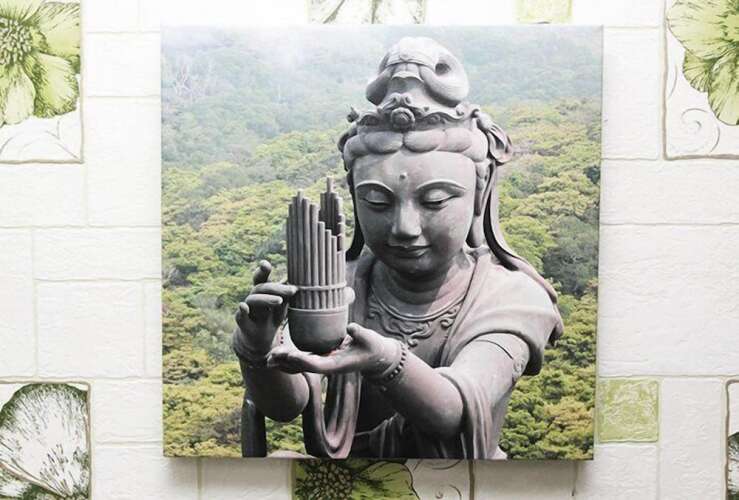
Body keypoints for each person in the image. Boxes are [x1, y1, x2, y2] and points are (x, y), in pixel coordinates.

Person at [232, 37, 563, 459]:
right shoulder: (339, 286)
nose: (404, 228)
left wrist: (386, 360)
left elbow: (454, 410)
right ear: (354, 199)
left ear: (479, 195)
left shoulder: (512, 298)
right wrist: (257, 350)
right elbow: (287, 404)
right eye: (377, 202)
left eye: (435, 201)